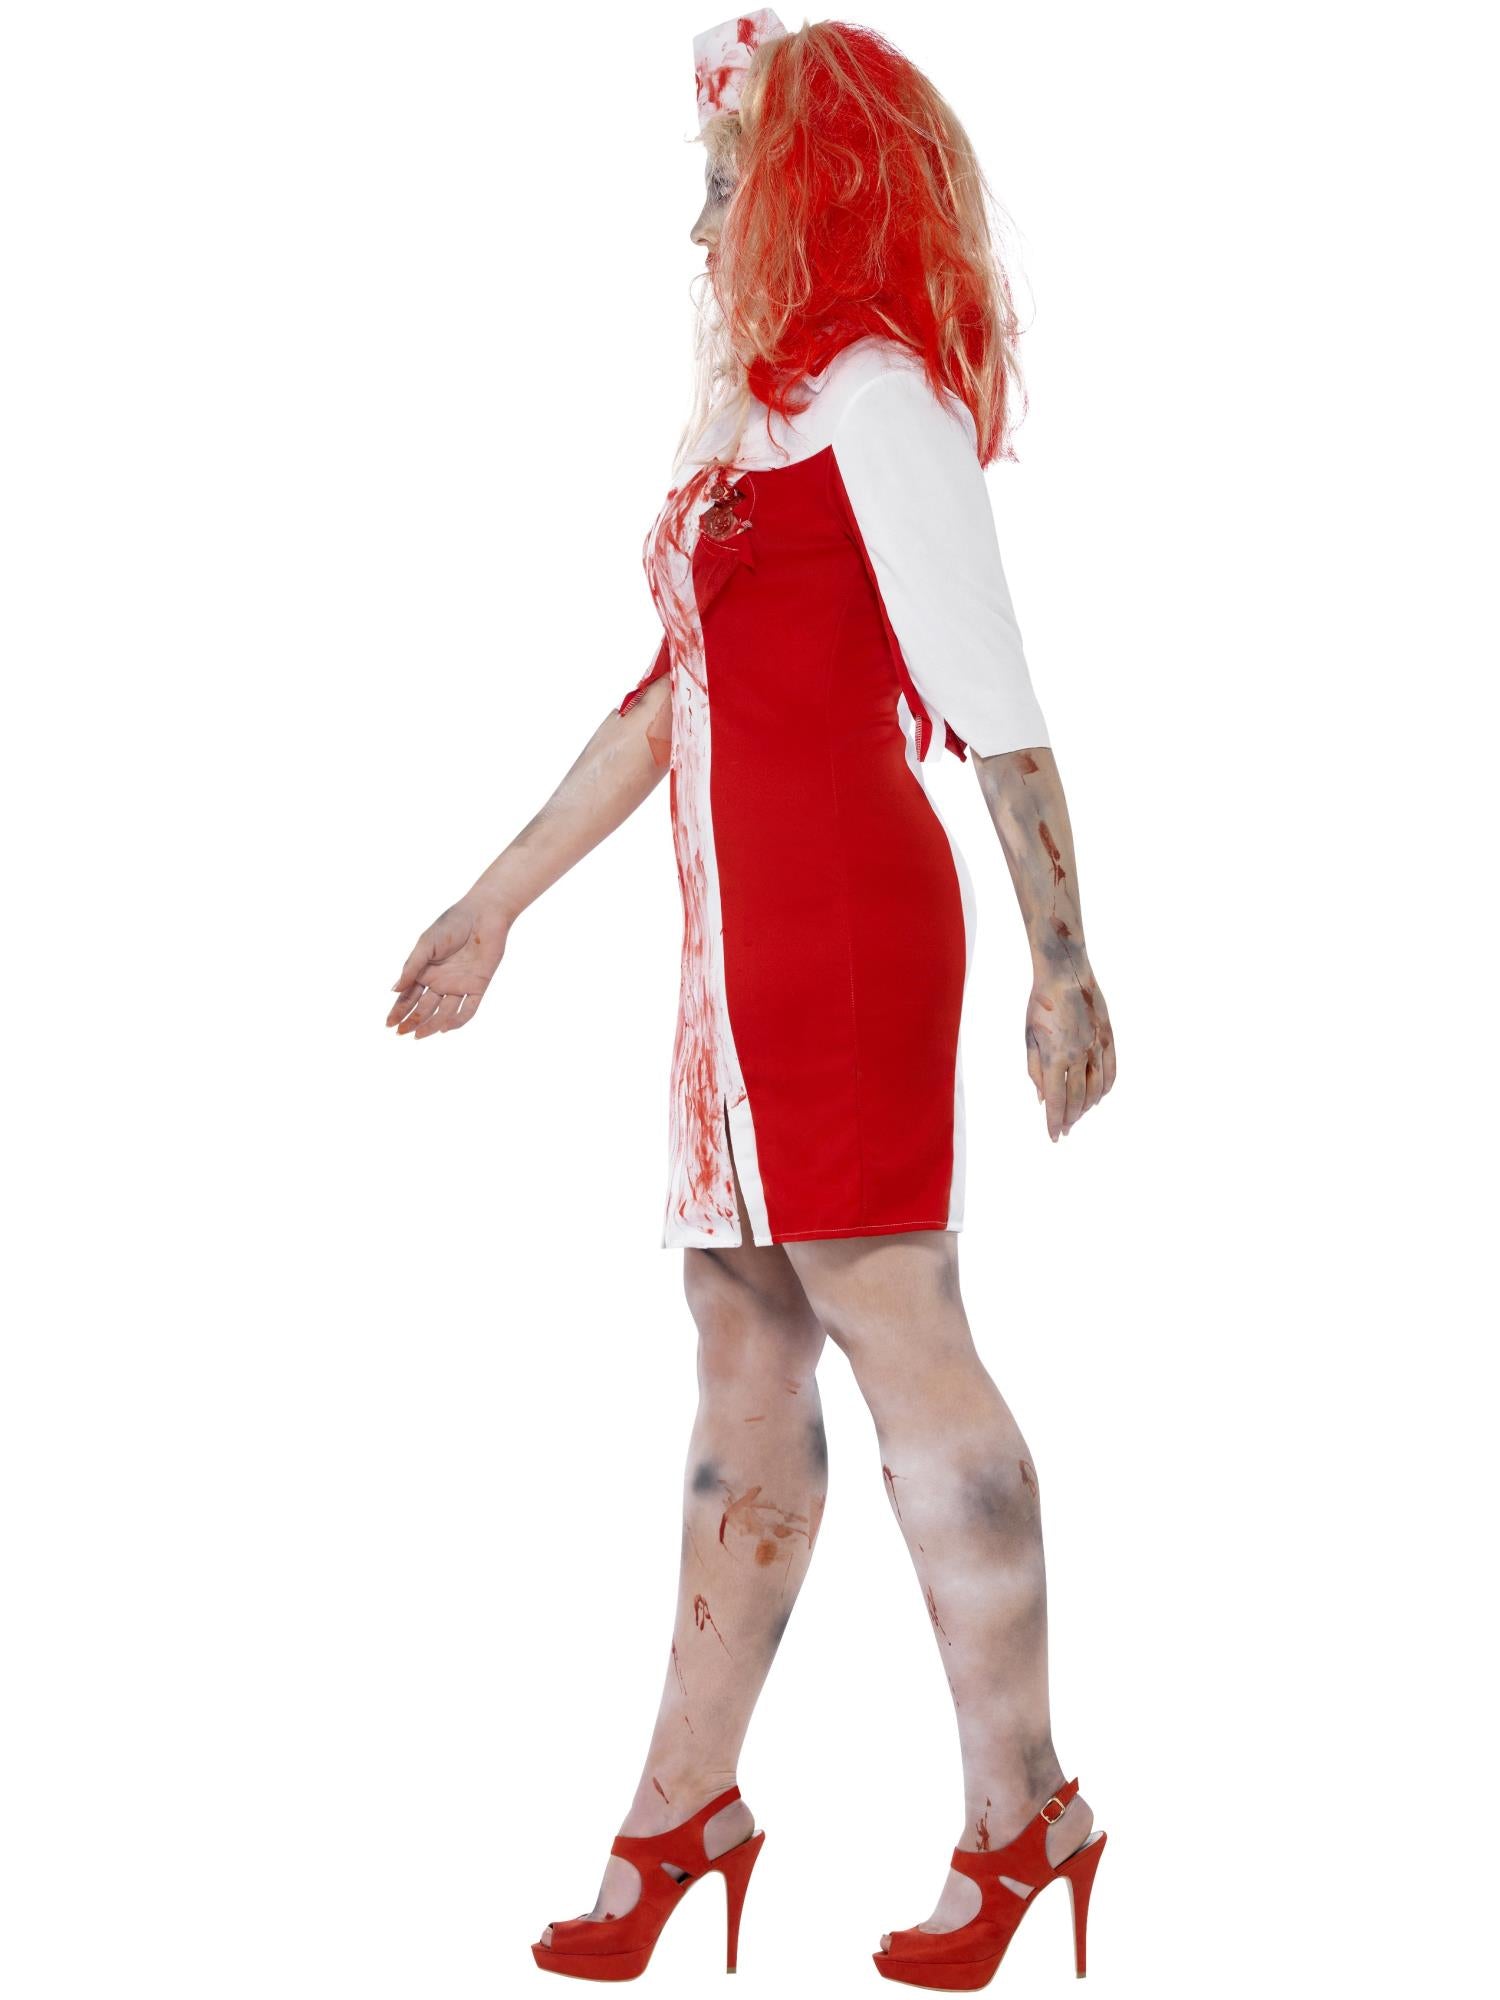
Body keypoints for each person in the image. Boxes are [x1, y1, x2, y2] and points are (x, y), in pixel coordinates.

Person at [387, 14, 1115, 1987]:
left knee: (903, 1332)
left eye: (726, 185)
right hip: (737, 958)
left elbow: (996, 698)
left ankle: (1027, 1810)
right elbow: (670, 703)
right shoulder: (751, 431)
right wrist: (494, 904)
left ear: (810, 192)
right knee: (737, 1357)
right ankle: (681, 1809)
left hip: (850, 932)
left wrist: (1066, 965)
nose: (699, 224)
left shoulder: (880, 399)